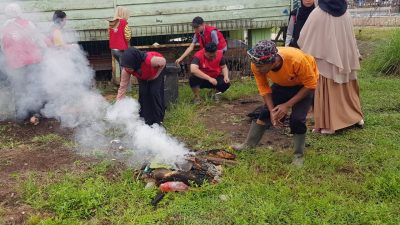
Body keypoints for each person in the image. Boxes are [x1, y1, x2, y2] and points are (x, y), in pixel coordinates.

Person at [232, 40, 319, 166]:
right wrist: (272, 111)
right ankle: (248, 145)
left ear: (273, 61)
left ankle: (298, 156)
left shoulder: (297, 60)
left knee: (297, 120)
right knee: (265, 113)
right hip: (282, 84)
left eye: (261, 66)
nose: (257, 68)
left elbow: (311, 85)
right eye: (256, 65)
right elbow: (264, 88)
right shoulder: (256, 64)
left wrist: (287, 105)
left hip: (303, 86)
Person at [298, 0, 364, 135]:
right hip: (345, 59)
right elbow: (351, 38)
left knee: (328, 89)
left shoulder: (318, 13)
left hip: (326, 61)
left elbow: (304, 39)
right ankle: (355, 117)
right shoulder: (346, 13)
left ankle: (329, 124)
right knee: (348, 89)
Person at [1, 3, 48, 124]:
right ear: (20, 12)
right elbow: (38, 40)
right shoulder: (28, 24)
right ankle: (35, 112)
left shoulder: (4, 27)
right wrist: (43, 52)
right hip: (32, 60)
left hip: (15, 64)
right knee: (34, 85)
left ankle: (21, 114)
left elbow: (3, 47)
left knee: (19, 87)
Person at [116, 47, 166, 125]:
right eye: (125, 67)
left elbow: (163, 62)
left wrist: (156, 76)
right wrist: (118, 105)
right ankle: (145, 118)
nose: (127, 70)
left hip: (156, 70)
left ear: (135, 62)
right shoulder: (126, 69)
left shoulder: (151, 60)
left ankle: (158, 120)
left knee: (154, 92)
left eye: (129, 68)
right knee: (143, 93)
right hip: (143, 74)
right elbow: (123, 87)